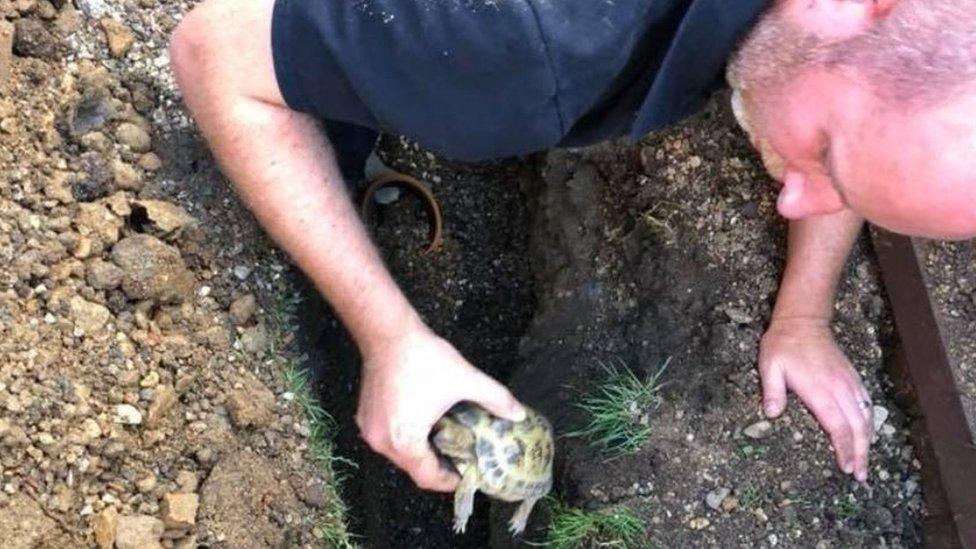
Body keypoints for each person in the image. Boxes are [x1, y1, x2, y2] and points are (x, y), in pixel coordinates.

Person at [168, 0, 976, 492]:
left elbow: (874, 103)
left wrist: (802, 313)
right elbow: (211, 50)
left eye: (845, 189)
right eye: (825, 158)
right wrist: (391, 338)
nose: (794, 199)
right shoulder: (532, 49)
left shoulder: (871, 37)